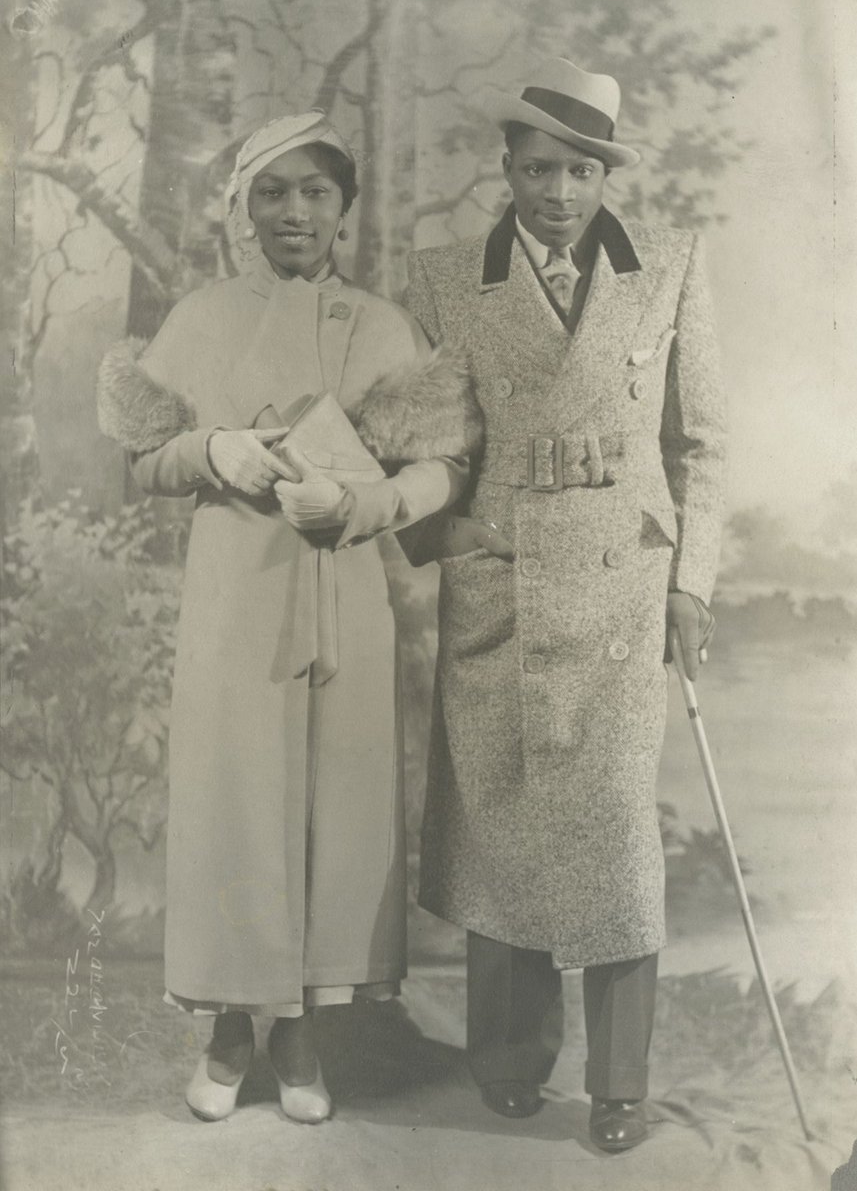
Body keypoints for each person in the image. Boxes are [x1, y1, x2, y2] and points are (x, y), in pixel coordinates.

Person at [96, 111, 481, 1124]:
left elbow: (442, 460)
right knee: (234, 803)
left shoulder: (381, 324)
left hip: (342, 596)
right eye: (273, 192)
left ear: (343, 209)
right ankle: (228, 1035)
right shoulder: (202, 316)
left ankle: (305, 1033)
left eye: (315, 193)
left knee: (334, 811)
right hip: (234, 594)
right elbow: (142, 458)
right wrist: (211, 451)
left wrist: (371, 504)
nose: (294, 211)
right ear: (243, 208)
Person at [404, 57, 727, 1152]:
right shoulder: (447, 279)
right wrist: (425, 524)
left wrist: (692, 585)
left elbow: (702, 444)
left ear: (605, 175)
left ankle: (620, 1087)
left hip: (623, 596)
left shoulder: (670, 266)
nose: (556, 193)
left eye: (578, 170)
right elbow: (432, 441)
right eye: (537, 168)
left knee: (612, 845)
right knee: (503, 827)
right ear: (506, 167)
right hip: (499, 582)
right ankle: (505, 1063)